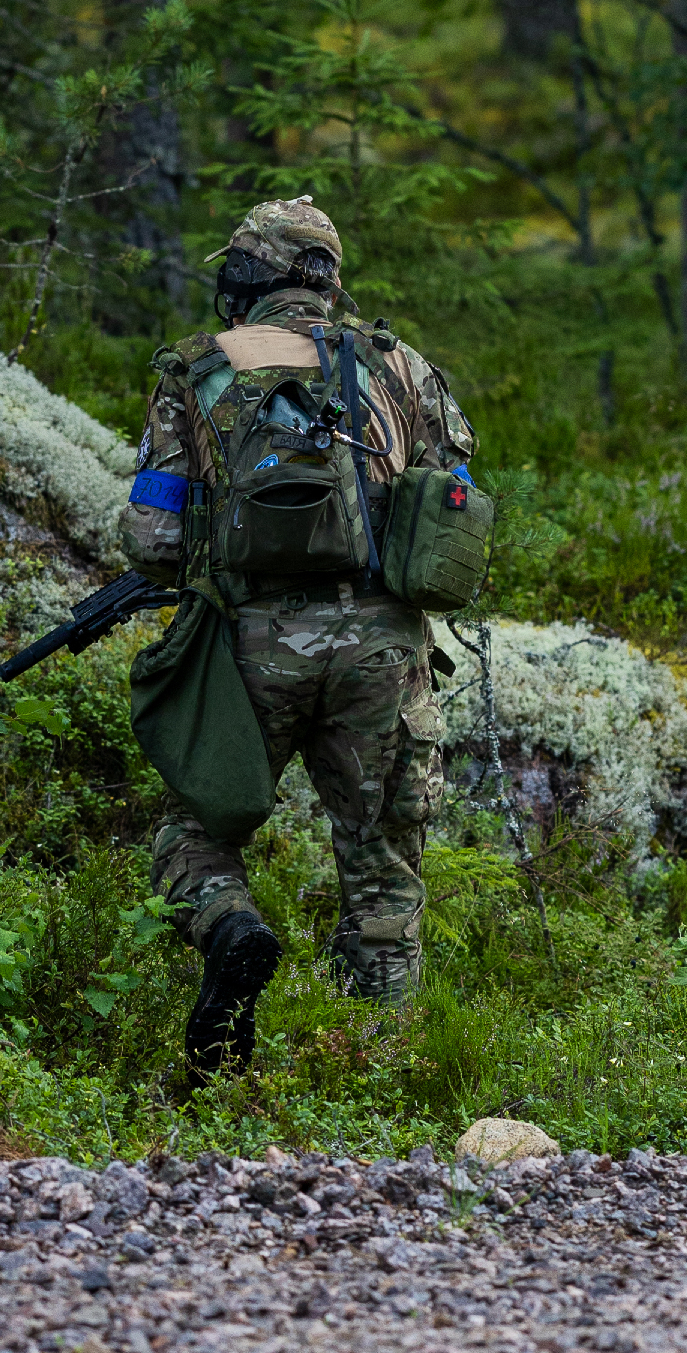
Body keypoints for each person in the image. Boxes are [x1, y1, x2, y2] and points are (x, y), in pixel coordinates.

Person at [118, 195, 480, 1077]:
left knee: (194, 829)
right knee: (383, 863)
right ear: (326, 278)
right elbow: (453, 507)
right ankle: (376, 1073)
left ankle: (230, 925)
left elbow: (152, 540)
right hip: (384, 653)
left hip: (250, 646)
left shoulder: (198, 368)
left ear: (251, 274)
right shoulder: (402, 367)